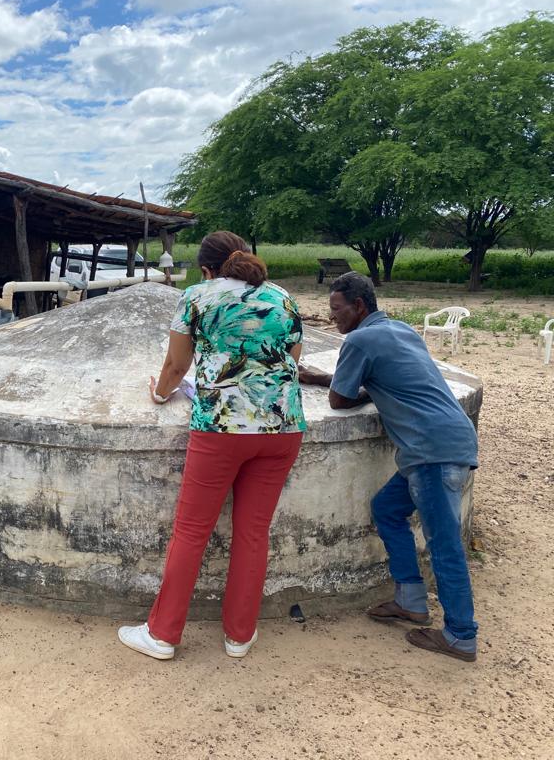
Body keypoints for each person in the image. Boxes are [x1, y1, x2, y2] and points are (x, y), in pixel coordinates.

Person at [118, 231, 306, 661]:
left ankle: (162, 634)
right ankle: (240, 635)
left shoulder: (196, 297)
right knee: (253, 532)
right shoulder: (282, 297)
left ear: (206, 269)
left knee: (191, 531)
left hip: (221, 430)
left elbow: (176, 365)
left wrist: (160, 393)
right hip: (283, 428)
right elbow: (291, 358)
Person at [299, 272, 480, 662]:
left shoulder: (358, 340)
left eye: (336, 308)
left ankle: (461, 636)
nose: (332, 317)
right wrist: (328, 379)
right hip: (450, 438)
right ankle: (410, 601)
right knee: (387, 508)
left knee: (444, 544)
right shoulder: (401, 330)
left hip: (431, 451)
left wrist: (330, 384)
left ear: (358, 306)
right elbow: (391, 380)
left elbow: (340, 400)